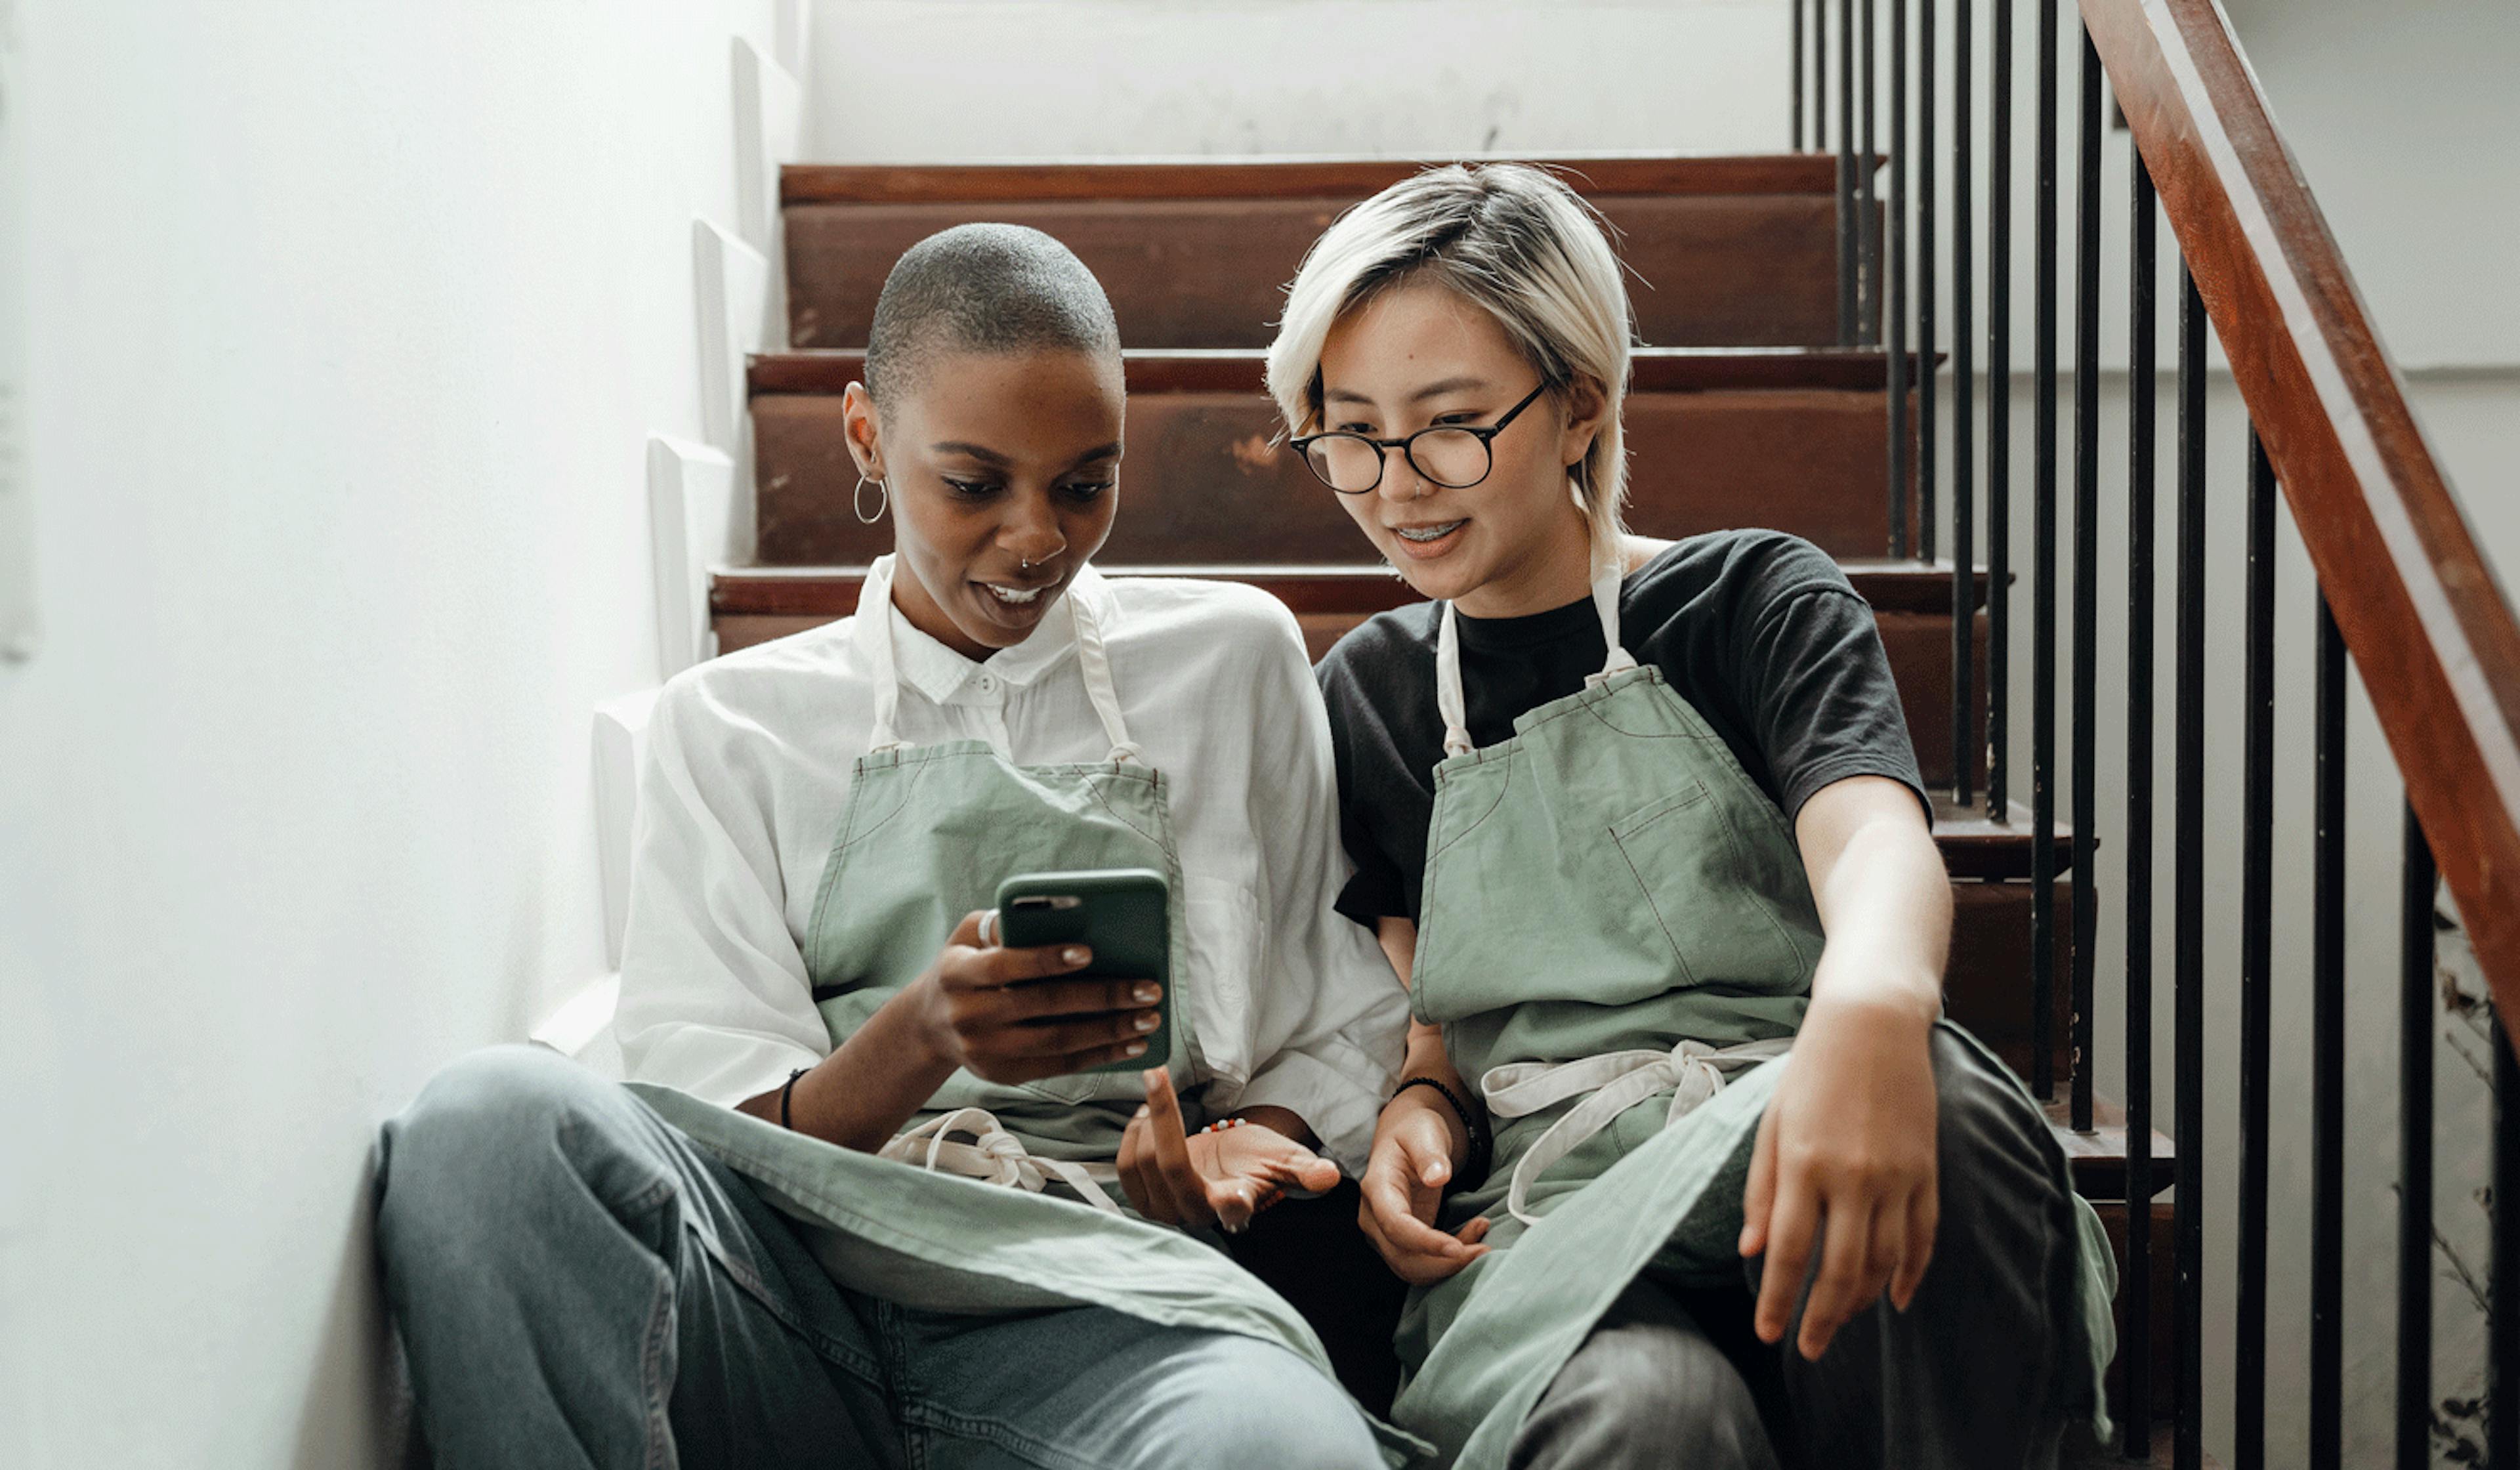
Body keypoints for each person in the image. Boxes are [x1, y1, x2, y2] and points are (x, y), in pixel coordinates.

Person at [374, 223, 1414, 1469]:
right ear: (867, 437)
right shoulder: (735, 726)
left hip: (1119, 1306)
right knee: (487, 1124)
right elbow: (716, 1125)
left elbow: (1339, 1021)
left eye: (1085, 484)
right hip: (790, 1301)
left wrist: (1253, 1143)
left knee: (1285, 1452)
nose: (1037, 538)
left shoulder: (1234, 659)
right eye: (974, 484)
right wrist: (921, 1037)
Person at [1266, 163, 2116, 1469]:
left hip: (1800, 1122)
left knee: (1942, 1098)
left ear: (1581, 405)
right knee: (1649, 1418)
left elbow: (1875, 838)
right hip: (1558, 1227)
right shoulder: (1368, 695)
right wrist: (1417, 1116)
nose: (1398, 483)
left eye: (1448, 424)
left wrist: (1878, 1007)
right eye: (1351, 432)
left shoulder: (1754, 599)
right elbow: (1435, 1023)